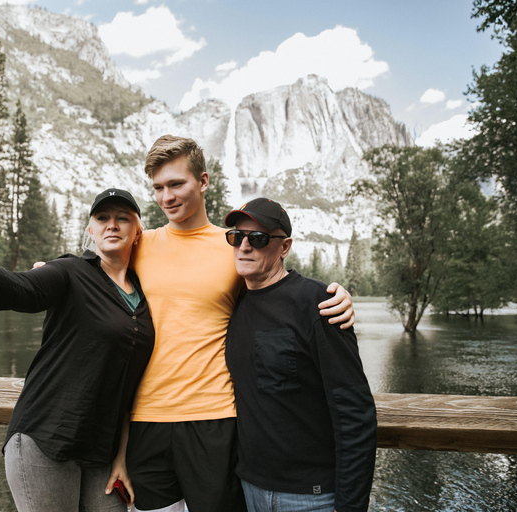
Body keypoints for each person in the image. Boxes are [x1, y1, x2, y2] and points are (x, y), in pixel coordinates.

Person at [124, 135, 357, 512]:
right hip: (145, 418)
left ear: (203, 181)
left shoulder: (234, 246)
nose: (167, 196)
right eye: (158, 188)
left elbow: (277, 291)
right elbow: (93, 268)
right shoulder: (139, 244)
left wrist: (338, 297)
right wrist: (51, 273)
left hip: (215, 417)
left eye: (176, 184)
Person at [0, 188, 155, 512]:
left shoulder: (146, 296)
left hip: (101, 454)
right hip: (46, 438)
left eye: (123, 218)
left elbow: (133, 387)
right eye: (102, 218)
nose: (112, 225)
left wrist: (121, 456)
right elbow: (21, 289)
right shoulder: (70, 271)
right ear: (90, 230)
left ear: (138, 230)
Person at [223, 197, 377, 512]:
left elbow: (356, 413)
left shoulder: (318, 303)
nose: (244, 246)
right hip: (249, 489)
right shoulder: (231, 303)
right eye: (236, 237)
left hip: (312, 497)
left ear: (284, 246)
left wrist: (350, 506)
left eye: (259, 238)